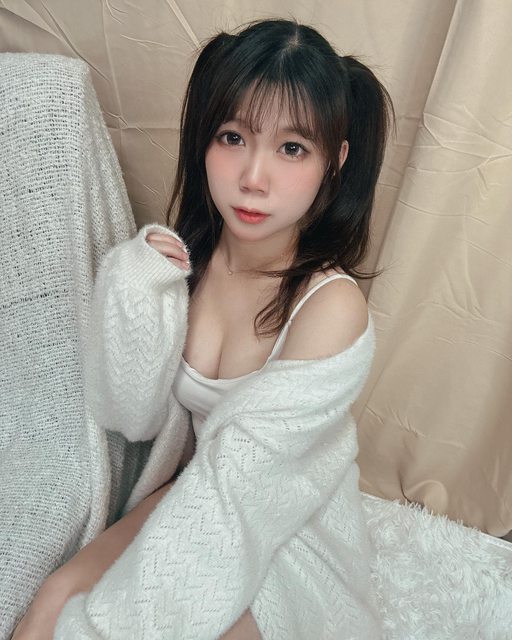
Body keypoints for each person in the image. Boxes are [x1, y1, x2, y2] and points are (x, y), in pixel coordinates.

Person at [13, 18, 392, 640]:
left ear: (336, 161)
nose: (253, 177)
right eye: (232, 137)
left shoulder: (331, 307)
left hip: (288, 517)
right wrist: (135, 288)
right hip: (185, 491)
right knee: (48, 604)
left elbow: (239, 497)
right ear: (204, 142)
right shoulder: (181, 265)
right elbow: (129, 417)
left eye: (292, 149)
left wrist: (107, 628)